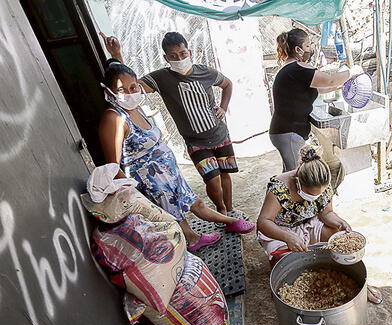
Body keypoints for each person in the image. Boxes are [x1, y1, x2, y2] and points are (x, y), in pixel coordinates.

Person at [98, 60, 255, 252]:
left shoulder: (136, 109)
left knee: (194, 203)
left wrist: (116, 55)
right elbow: (113, 167)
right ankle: (210, 230)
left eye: (133, 87)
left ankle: (222, 224)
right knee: (173, 217)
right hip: (150, 183)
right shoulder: (113, 118)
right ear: (110, 92)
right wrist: (134, 196)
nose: (130, 93)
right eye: (123, 90)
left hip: (169, 174)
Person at [101, 32, 242, 217]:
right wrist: (117, 56)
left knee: (225, 175)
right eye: (174, 56)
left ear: (189, 52)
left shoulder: (205, 72)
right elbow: (132, 85)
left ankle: (229, 209)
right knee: (213, 179)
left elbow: (227, 84)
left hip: (220, 134)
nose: (180, 59)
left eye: (183, 54)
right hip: (195, 141)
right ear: (166, 58)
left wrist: (223, 107)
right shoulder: (161, 78)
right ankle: (221, 210)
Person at [257, 147, 382, 304]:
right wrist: (287, 237)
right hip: (280, 229)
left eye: (318, 195)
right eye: (310, 195)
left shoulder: (323, 183)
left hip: (308, 223)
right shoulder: (280, 188)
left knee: (335, 234)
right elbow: (263, 222)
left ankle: (363, 284)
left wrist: (339, 221)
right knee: (282, 260)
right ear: (298, 181)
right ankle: (283, 288)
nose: (314, 199)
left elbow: (326, 213)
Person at [269, 28, 364, 172]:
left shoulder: (291, 70)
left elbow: (322, 88)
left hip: (285, 131)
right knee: (295, 175)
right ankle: (280, 194)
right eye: (308, 45)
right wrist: (352, 72)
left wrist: (343, 86)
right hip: (288, 132)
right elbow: (330, 80)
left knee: (290, 173)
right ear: (298, 49)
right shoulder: (297, 69)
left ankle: (283, 194)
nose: (311, 48)